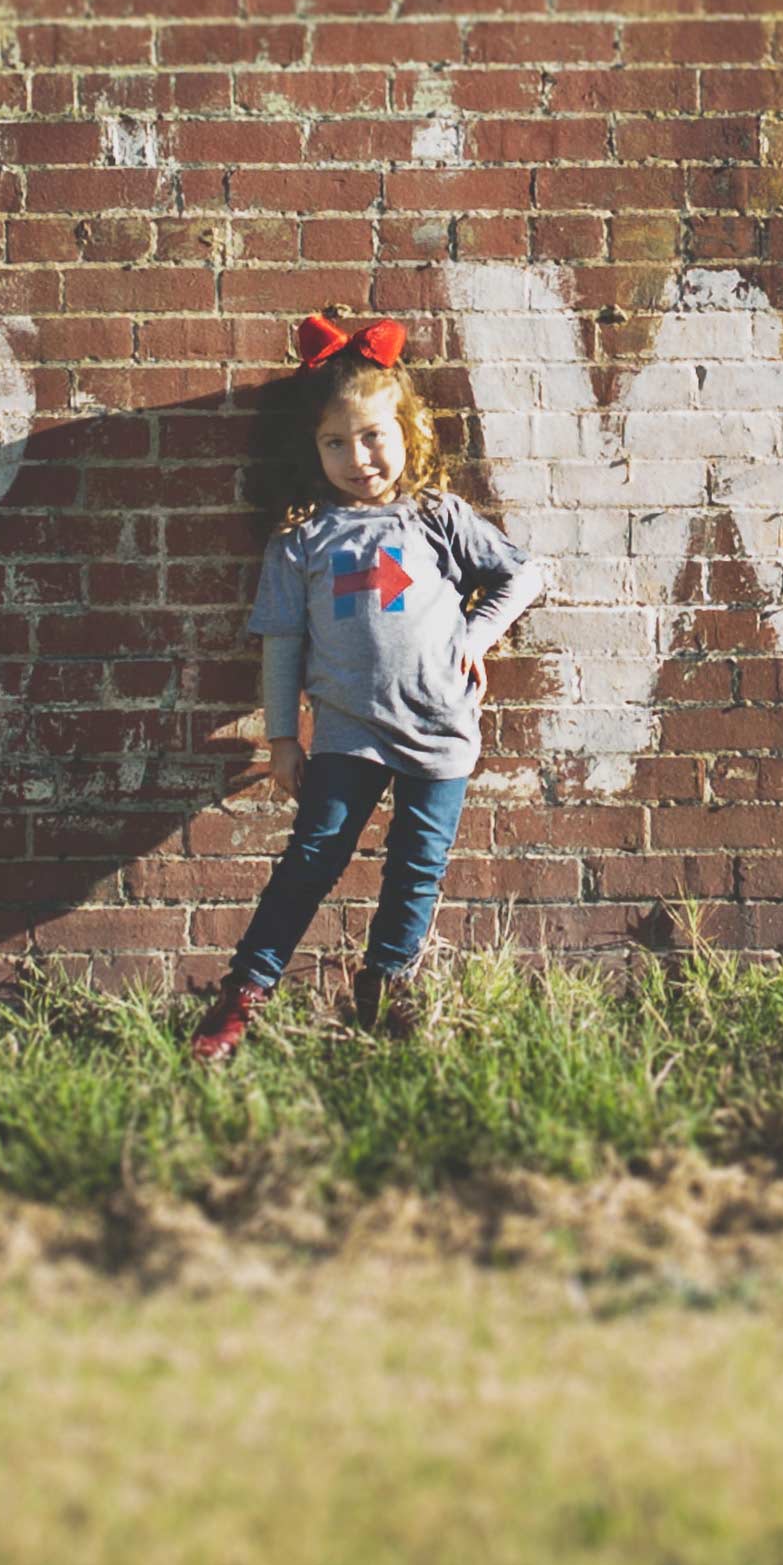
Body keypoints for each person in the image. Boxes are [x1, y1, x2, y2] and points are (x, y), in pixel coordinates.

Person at [190, 311, 545, 1057]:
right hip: (349, 729)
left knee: (417, 867)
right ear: (313, 449)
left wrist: (477, 636)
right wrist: (283, 738)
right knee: (312, 859)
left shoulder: (437, 517)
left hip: (442, 726)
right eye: (335, 442)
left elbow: (522, 573)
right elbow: (283, 643)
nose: (358, 457)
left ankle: (385, 988)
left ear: (407, 431)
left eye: (374, 435)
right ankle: (244, 991)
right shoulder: (302, 539)